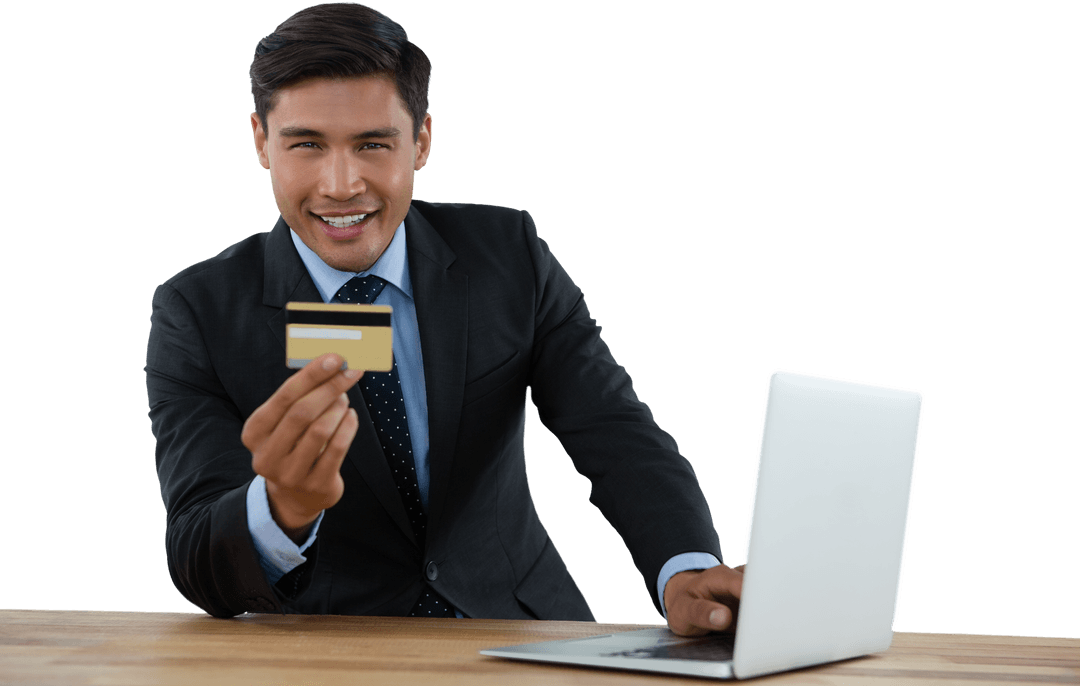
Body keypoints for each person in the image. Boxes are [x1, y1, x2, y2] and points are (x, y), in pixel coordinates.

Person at [145, 2, 742, 636]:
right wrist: (280, 510)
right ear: (262, 143)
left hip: (522, 632)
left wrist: (684, 566)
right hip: (328, 655)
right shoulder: (196, 313)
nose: (341, 184)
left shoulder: (509, 253)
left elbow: (612, 428)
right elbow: (194, 555)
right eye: (307, 145)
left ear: (422, 140)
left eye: (373, 144)